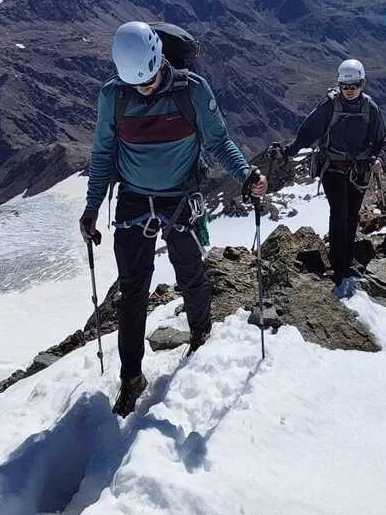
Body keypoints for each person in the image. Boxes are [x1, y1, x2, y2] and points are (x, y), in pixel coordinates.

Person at [80, 21, 267, 417]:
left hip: (180, 196)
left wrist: (247, 174)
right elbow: (101, 156)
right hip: (134, 200)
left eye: (148, 81)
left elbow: (218, 141)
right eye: (137, 85)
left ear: (160, 58)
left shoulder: (192, 90)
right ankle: (131, 378)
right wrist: (92, 207)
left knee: (190, 270)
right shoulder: (114, 96)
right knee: (132, 292)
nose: (144, 90)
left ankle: (201, 332)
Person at [281, 59, 386, 299]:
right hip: (333, 170)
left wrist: (379, 158)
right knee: (340, 214)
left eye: (355, 85)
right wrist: (289, 150)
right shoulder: (329, 107)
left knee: (351, 217)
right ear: (339, 85)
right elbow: (307, 134)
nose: (350, 90)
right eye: (345, 85)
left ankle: (345, 263)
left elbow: (382, 139)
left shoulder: (370, 108)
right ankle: (340, 269)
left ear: (362, 84)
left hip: (358, 171)